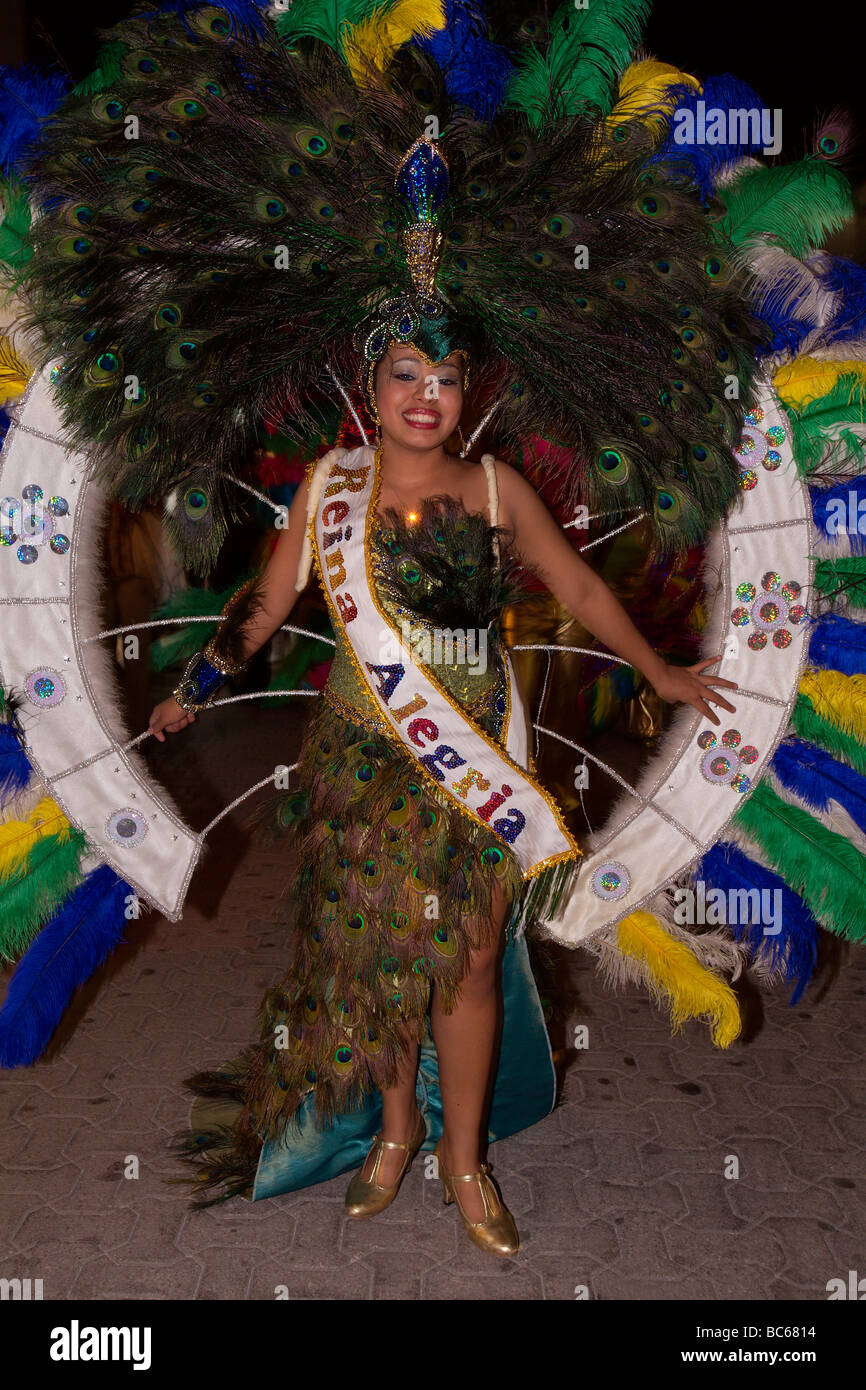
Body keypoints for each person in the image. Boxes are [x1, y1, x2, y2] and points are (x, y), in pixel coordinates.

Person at [147, 338, 738, 1254]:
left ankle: (465, 1161)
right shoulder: (330, 485)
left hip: (474, 764)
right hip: (361, 759)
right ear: (371, 389)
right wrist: (195, 689)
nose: (427, 396)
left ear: (468, 390)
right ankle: (395, 1131)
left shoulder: (497, 488)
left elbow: (576, 584)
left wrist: (659, 672)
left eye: (447, 378)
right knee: (383, 948)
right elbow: (266, 603)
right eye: (406, 375)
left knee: (464, 963)